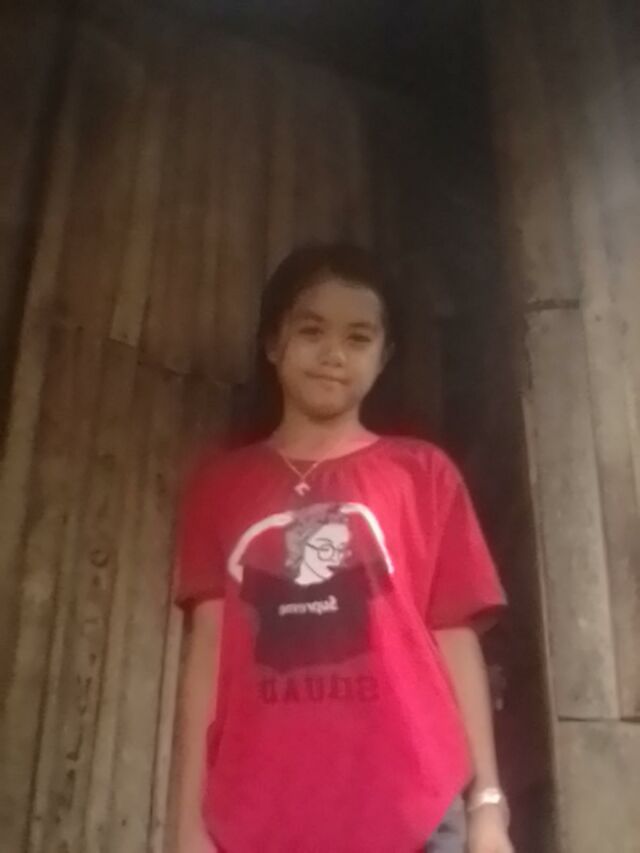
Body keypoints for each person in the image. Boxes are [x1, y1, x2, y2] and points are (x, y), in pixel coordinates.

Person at [173, 243, 513, 853]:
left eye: (359, 338)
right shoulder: (220, 486)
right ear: (273, 342)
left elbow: (454, 640)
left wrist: (488, 805)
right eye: (312, 331)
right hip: (259, 813)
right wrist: (186, 823)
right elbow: (208, 655)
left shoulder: (423, 474)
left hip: (414, 805)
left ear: (384, 356)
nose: (333, 354)